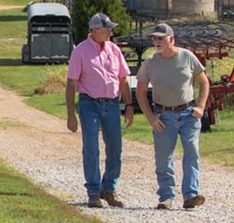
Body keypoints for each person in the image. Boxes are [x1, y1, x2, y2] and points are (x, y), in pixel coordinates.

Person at [136, 23, 209, 210]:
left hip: (188, 113)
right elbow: (141, 92)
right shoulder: (150, 63)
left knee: (191, 152)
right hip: (163, 115)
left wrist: (200, 106)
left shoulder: (187, 57)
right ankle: (166, 197)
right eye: (154, 38)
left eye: (161, 38)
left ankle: (191, 195)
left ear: (172, 39)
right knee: (163, 157)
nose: (156, 41)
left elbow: (204, 82)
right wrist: (151, 117)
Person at [65, 13, 134, 208]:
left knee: (115, 148)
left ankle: (108, 188)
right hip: (89, 105)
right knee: (91, 148)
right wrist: (71, 115)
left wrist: (129, 105)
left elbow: (122, 79)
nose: (111, 32)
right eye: (107, 29)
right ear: (95, 30)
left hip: (112, 104)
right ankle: (93, 191)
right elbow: (71, 84)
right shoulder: (80, 51)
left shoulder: (114, 50)